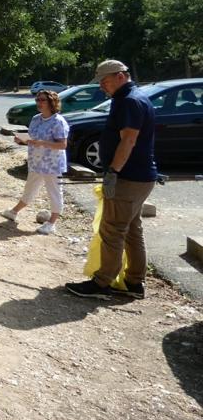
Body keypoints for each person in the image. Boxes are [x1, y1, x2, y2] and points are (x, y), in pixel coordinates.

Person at [66, 60, 158, 300]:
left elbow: (129, 140)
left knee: (113, 230)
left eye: (105, 81)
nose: (102, 87)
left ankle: (102, 283)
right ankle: (134, 283)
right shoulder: (132, 97)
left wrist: (113, 171)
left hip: (128, 178)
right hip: (139, 177)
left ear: (120, 76)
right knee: (132, 230)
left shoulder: (129, 101)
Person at [0, 90, 69, 234]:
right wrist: (21, 140)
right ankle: (14, 212)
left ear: (52, 102)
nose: (39, 102)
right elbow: (32, 139)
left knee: (54, 192)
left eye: (42, 100)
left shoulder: (58, 121)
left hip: (52, 164)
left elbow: (62, 145)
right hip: (36, 161)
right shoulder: (36, 118)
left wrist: (42, 143)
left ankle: (51, 223)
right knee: (30, 188)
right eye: (37, 99)